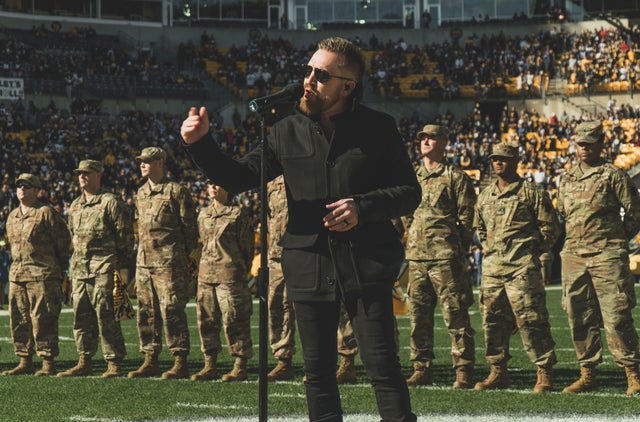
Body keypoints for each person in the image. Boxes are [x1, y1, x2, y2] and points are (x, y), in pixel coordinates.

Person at [181, 37, 419, 422]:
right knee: (318, 373)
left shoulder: (379, 128)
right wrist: (201, 145)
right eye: (308, 70)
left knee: (383, 368)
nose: (309, 80)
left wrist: (364, 207)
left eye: (321, 75)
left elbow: (409, 192)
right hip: (309, 263)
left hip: (367, 264)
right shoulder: (284, 129)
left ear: (348, 86)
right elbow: (239, 176)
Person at [557, 120, 640, 395]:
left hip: (608, 256)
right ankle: (588, 373)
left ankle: (633, 373)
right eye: (580, 144)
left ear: (599, 145)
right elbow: (563, 217)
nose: (584, 149)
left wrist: (616, 239)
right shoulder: (567, 178)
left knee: (617, 315)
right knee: (578, 316)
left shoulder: (613, 175)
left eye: (589, 144)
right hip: (574, 257)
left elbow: (635, 213)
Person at [473, 142, 560, 393]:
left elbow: (551, 228)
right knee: (492, 322)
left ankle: (544, 372)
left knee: (532, 320)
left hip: (521, 269)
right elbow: (480, 229)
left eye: (504, 159)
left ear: (515, 162)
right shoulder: (486, 195)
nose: (498, 163)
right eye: (495, 159)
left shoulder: (532, 192)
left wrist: (530, 252)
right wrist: (490, 249)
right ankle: (497, 372)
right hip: (492, 271)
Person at [404, 124, 477, 388]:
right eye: (422, 137)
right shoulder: (411, 176)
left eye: (431, 137)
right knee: (418, 316)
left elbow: (468, 217)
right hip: (416, 257)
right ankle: (421, 367)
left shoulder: (456, 177)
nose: (425, 141)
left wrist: (456, 245)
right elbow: (403, 214)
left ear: (444, 142)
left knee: (455, 314)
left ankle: (463, 369)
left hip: (446, 257)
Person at [58, 159, 134, 378]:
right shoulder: (75, 205)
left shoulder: (110, 202)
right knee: (80, 317)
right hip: (81, 269)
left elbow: (125, 237)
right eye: (80, 173)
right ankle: (84, 360)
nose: (82, 176)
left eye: (87, 172)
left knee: (106, 314)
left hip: (104, 267)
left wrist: (119, 266)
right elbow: (73, 236)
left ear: (98, 174)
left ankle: (114, 362)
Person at [128, 147, 199, 380]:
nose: (142, 165)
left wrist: (184, 259)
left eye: (147, 161)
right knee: (146, 312)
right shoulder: (140, 193)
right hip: (144, 263)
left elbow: (189, 229)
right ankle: (150, 358)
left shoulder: (176, 191)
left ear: (160, 162)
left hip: (170, 263)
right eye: (140, 161)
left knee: (171, 310)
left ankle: (179, 360)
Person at [4, 173, 70, 376]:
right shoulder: (12, 216)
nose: (21, 188)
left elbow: (63, 242)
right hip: (18, 276)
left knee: (43, 318)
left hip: (42, 274)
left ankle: (47, 361)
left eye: (26, 185)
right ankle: (25, 359)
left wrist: (56, 269)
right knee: (19, 318)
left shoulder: (45, 213)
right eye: (19, 185)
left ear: (36, 189)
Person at [191, 181, 254, 382]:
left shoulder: (237, 214)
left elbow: (247, 248)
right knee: (206, 320)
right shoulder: (203, 214)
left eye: (218, 183)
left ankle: (240, 365)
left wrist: (237, 267)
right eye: (210, 183)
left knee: (234, 319)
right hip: (206, 275)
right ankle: (210, 364)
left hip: (230, 274)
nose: (214, 187)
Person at [266, 175, 296, 381]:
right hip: (277, 254)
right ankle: (283, 361)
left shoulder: (308, 170)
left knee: (316, 307)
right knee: (277, 306)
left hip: (306, 250)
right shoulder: (271, 182)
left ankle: (341, 361)